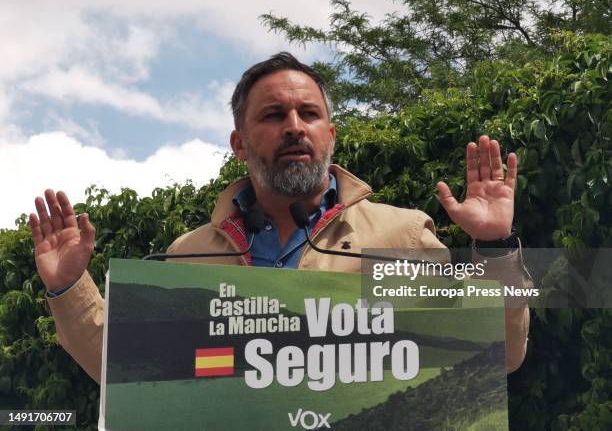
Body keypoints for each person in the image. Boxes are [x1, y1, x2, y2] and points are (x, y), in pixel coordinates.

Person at [30, 52, 531, 385]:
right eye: (273, 116)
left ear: (330, 135)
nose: (294, 128)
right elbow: (128, 370)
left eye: (308, 114)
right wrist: (69, 285)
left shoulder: (401, 235)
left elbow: (494, 353)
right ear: (239, 144)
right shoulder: (186, 256)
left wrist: (495, 248)